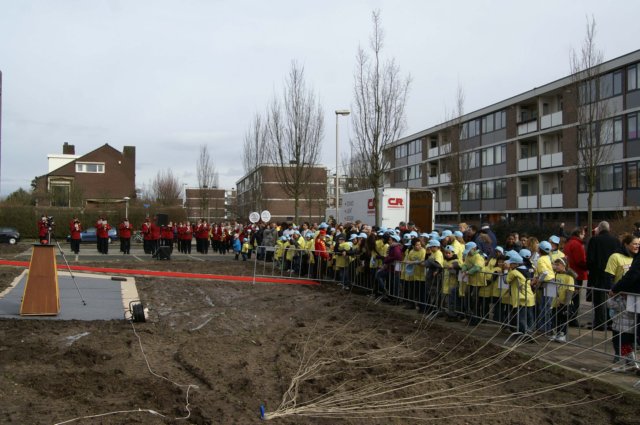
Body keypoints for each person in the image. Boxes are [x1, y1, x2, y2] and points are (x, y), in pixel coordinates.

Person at [586, 221, 622, 330]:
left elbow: (590, 259)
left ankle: (600, 323)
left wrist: (591, 270)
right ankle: (610, 322)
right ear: (609, 228)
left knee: (598, 300)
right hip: (612, 274)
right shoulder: (616, 241)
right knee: (611, 300)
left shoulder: (594, 240)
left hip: (598, 274)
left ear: (600, 229)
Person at [563, 227, 588, 326]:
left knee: (570, 297)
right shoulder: (577, 244)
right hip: (577, 273)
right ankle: (573, 319)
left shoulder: (568, 243)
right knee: (575, 298)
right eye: (583, 234)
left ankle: (569, 317)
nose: (584, 236)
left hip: (569, 272)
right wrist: (588, 266)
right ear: (579, 234)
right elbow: (580, 260)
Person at [549, 257, 575, 343]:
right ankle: (555, 332)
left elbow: (570, 290)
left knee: (563, 319)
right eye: (555, 264)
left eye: (558, 265)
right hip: (556, 301)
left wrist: (565, 302)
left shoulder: (569, 277)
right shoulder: (556, 274)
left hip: (564, 302)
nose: (555, 266)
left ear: (564, 265)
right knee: (555, 318)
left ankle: (562, 334)